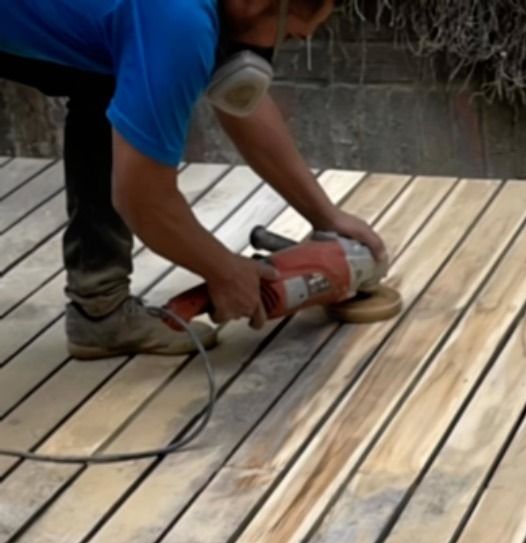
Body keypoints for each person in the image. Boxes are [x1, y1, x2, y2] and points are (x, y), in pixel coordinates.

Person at [0, 0, 386, 357]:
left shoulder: (200, 12)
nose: (297, 41)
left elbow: (241, 105)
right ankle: (100, 309)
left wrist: (325, 215)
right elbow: (142, 198)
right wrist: (224, 270)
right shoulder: (178, 19)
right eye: (288, 32)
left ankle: (100, 311)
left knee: (113, 78)